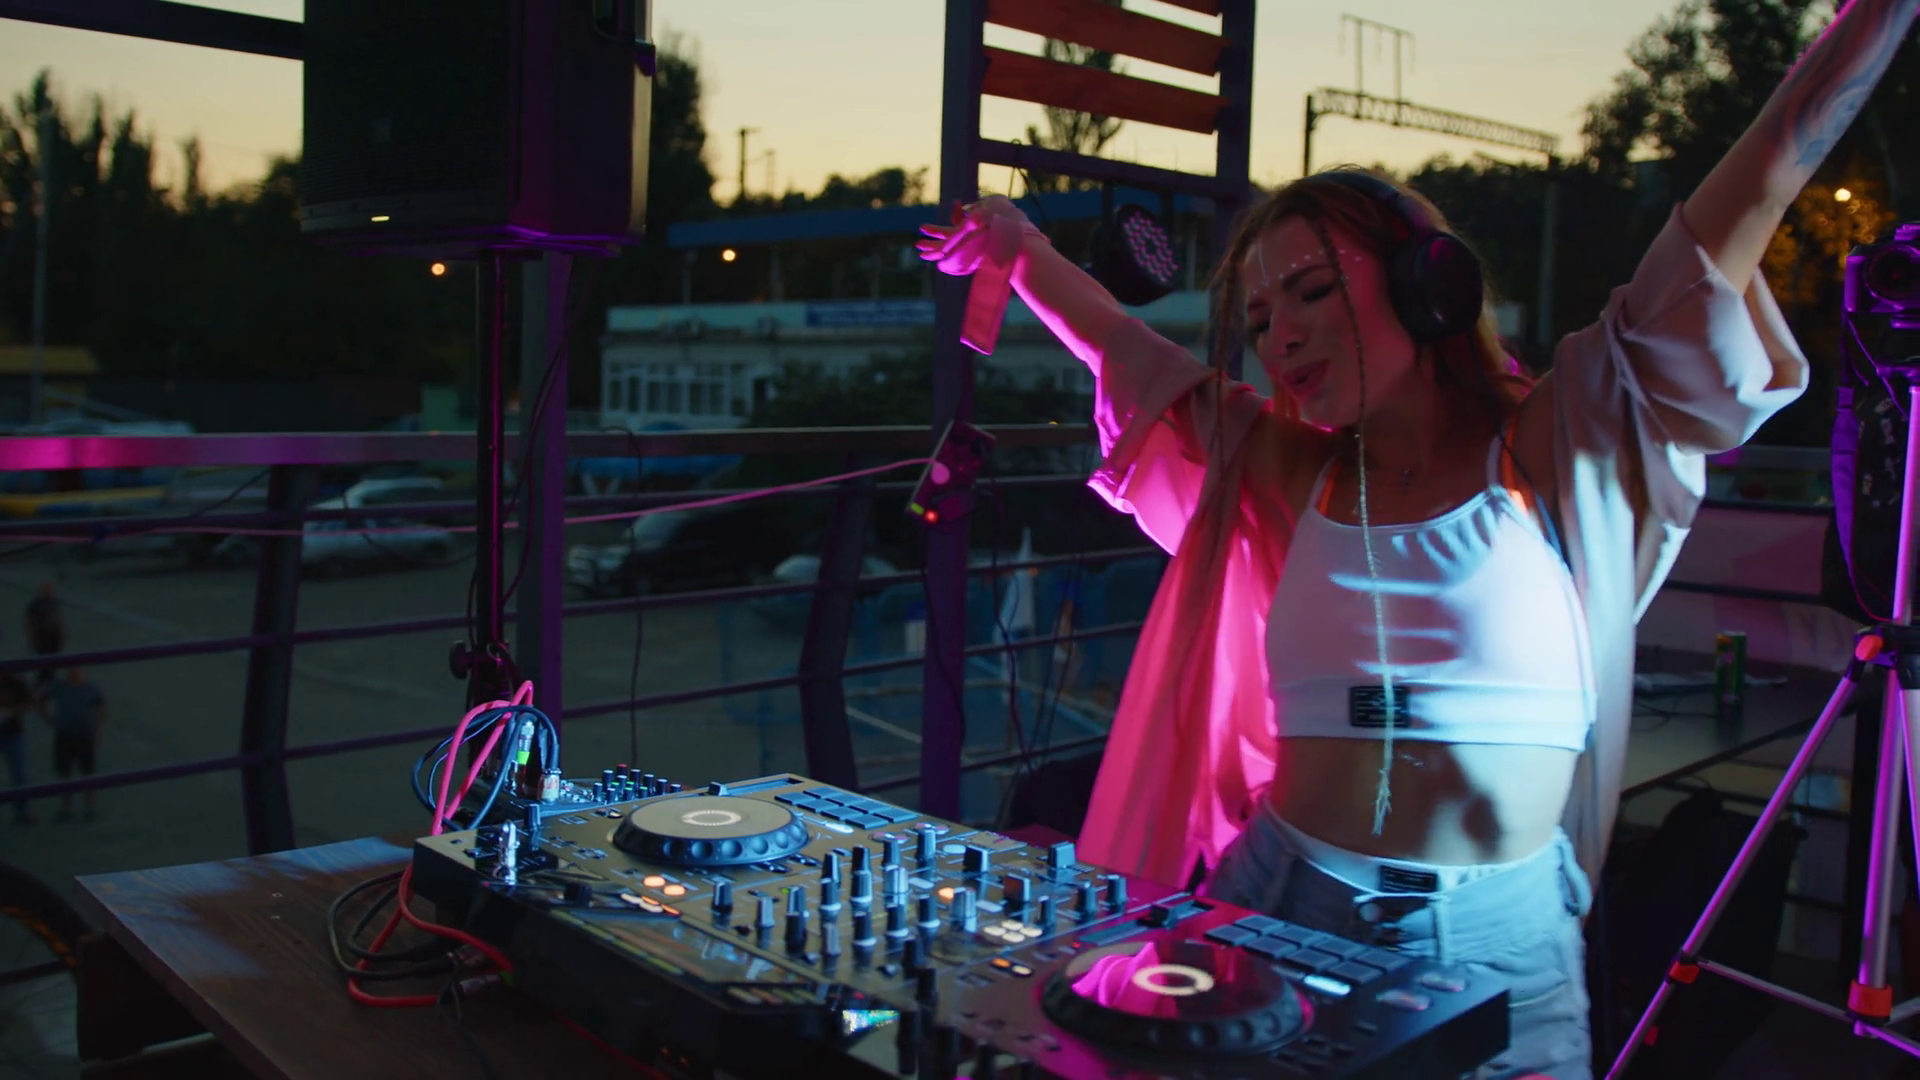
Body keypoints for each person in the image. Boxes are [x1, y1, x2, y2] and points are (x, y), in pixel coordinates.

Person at [919, 4, 1915, 1076]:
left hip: (1503, 947)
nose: (1282, 335)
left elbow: (1756, 182)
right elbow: (1127, 349)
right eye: (1261, 320)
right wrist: (1020, 250)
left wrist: (1879, 16)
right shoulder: (1290, 470)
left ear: (1426, 281)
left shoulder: (1549, 443)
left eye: (1311, 291)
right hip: (1274, 902)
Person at [42, 665, 103, 822]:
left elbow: (102, 707)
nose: (73, 673)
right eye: (71, 670)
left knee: (88, 773)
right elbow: (40, 699)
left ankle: (90, 807)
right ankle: (66, 808)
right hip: (65, 736)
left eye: (76, 670)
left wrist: (97, 730)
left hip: (85, 736)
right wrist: (48, 718)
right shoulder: (59, 687)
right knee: (65, 773)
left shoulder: (91, 688)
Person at [0, 672, 31, 824]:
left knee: (20, 776)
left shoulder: (16, 681)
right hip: (13, 733)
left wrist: (9, 712)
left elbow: (27, 702)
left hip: (13, 733)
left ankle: (22, 813)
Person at [24, 580, 64, 689]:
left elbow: (59, 619)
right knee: (44, 662)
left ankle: (47, 683)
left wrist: (62, 634)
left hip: (53, 637)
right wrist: (31, 638)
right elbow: (29, 622)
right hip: (42, 637)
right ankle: (42, 684)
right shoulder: (35, 604)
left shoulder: (54, 603)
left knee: (52, 662)